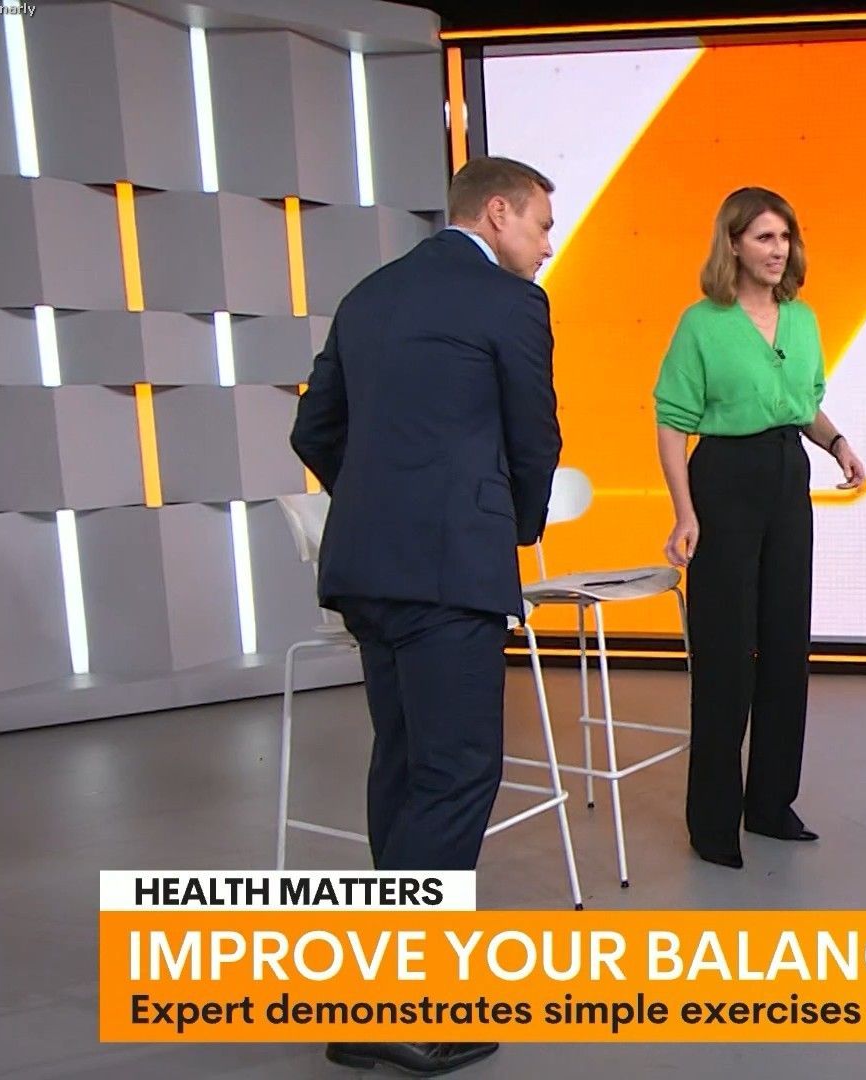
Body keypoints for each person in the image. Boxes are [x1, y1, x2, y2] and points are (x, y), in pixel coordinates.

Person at [289, 155, 560, 1076]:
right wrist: (505, 527)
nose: (547, 245)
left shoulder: (369, 295)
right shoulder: (512, 304)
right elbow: (534, 436)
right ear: (497, 213)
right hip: (449, 574)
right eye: (541, 225)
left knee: (406, 772)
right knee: (453, 778)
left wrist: (380, 503)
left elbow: (313, 429)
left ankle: (371, 1007)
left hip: (368, 567)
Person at [653, 186, 866, 870]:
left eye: (785, 237)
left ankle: (771, 804)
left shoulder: (801, 320)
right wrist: (686, 511)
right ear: (734, 244)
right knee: (724, 653)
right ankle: (712, 823)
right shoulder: (701, 324)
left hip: (786, 475)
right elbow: (672, 423)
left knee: (784, 645)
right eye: (765, 237)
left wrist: (837, 444)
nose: (779, 250)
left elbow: (802, 406)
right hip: (724, 479)